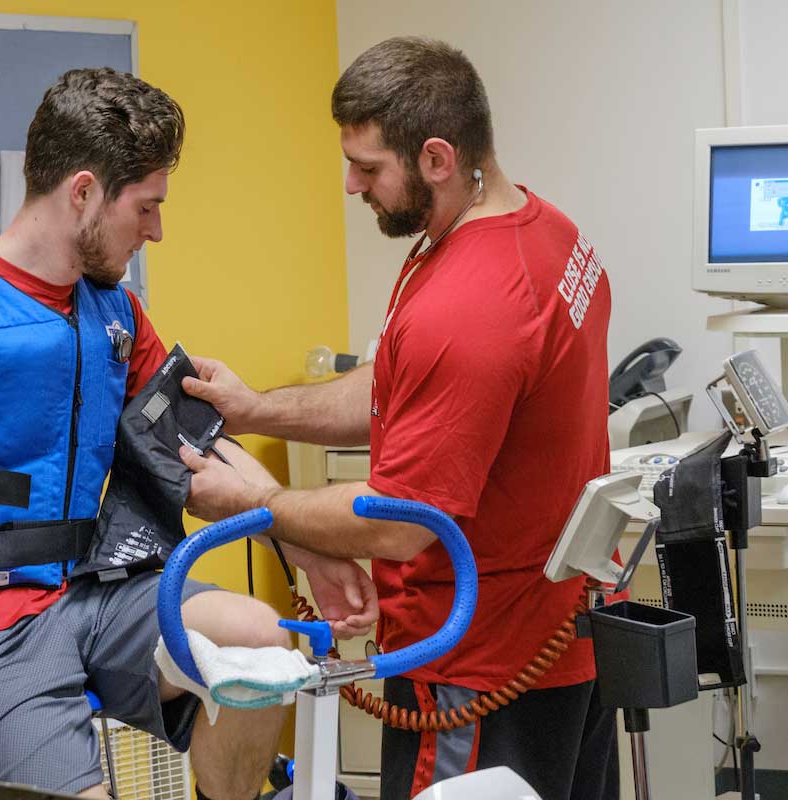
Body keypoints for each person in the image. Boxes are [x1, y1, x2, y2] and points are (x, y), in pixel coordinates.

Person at [0, 67, 376, 800]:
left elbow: (190, 446)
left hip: (92, 596)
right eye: (147, 207)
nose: (157, 229)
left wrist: (299, 544)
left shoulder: (114, 313)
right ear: (84, 192)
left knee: (257, 642)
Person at [177, 37, 618, 800]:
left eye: (369, 167)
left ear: (439, 158)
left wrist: (255, 506)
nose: (352, 185)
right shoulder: (546, 236)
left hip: (475, 665)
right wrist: (258, 411)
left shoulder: (469, 306)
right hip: (554, 643)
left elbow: (403, 524)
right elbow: (396, 386)